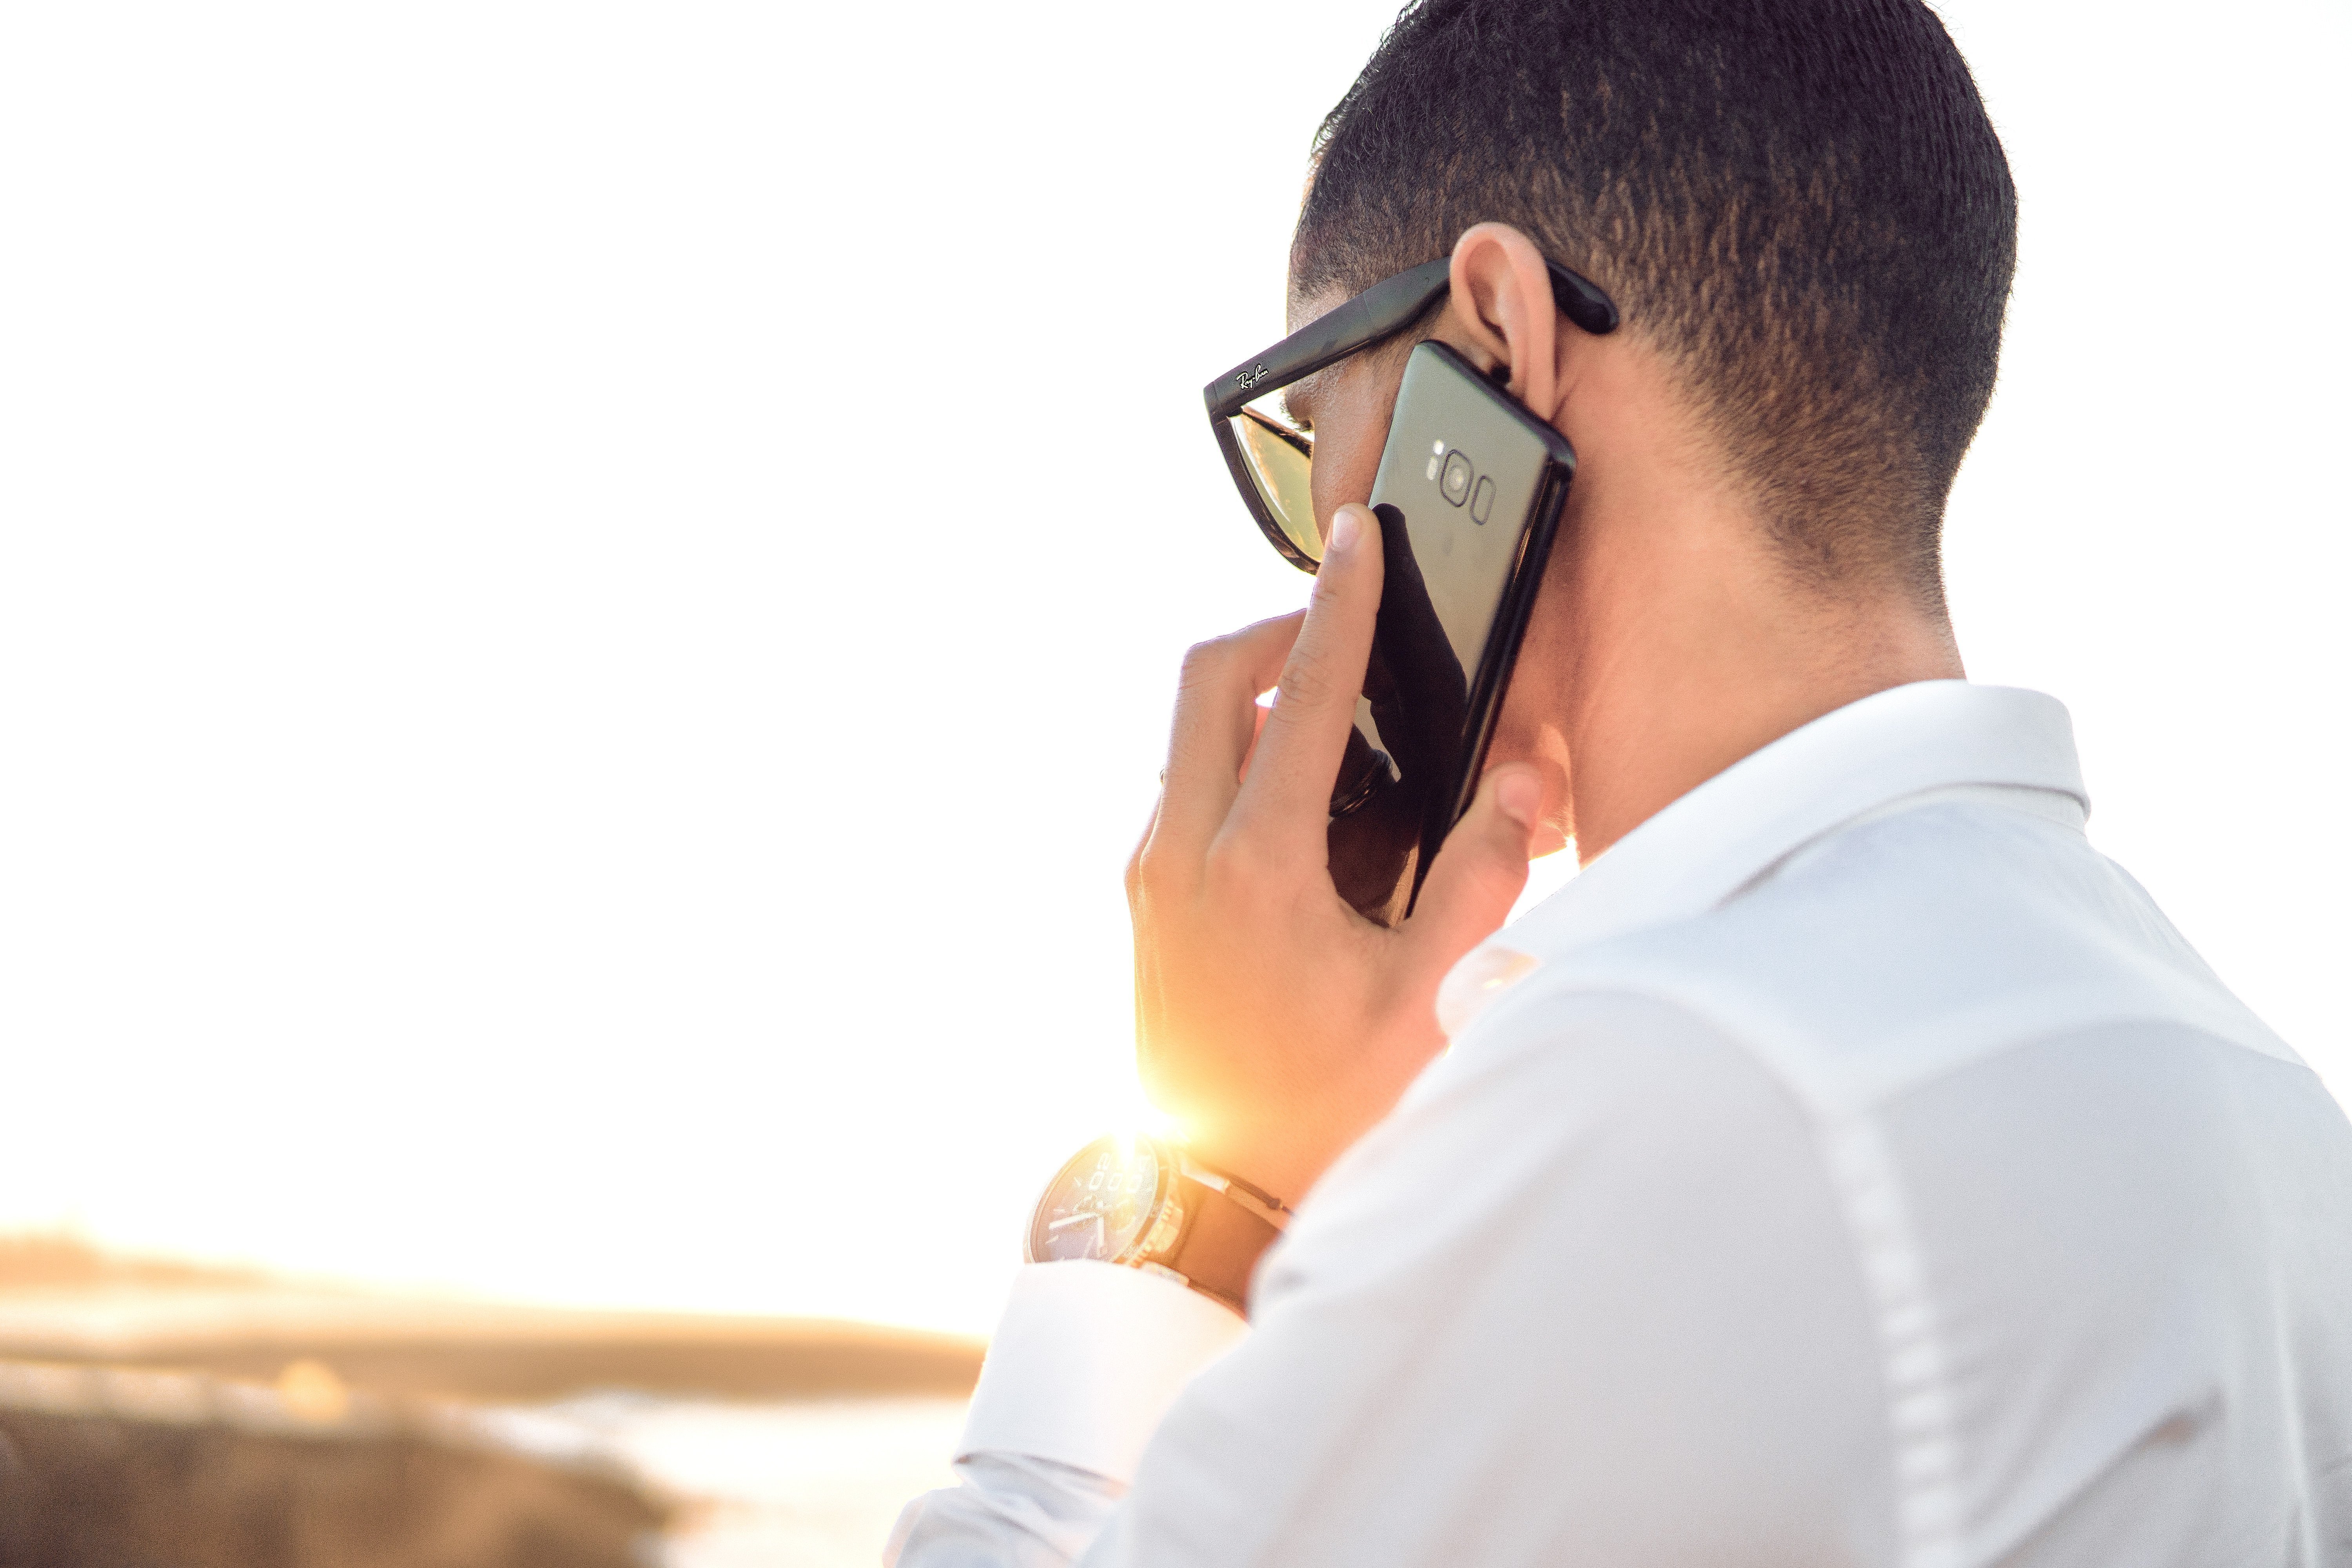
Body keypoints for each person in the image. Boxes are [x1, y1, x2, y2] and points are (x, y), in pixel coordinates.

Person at [892, 0, 2352, 1561]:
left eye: (1312, 427)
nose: (1322, 538)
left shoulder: (1661, 1096)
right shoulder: (2276, 1115)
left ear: (1496, 349)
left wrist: (1196, 1208)